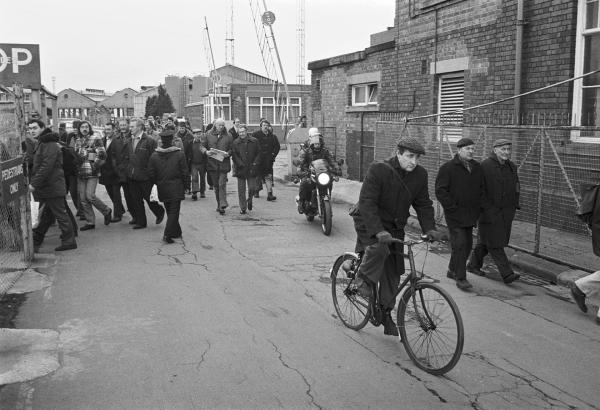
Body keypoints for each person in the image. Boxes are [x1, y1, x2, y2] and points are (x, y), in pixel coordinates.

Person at [352, 137, 442, 336]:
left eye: (417, 158)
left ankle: (385, 312)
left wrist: (429, 229)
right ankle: (363, 281)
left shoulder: (420, 175)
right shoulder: (379, 169)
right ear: (398, 153)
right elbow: (367, 202)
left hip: (394, 227)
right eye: (410, 156)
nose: (414, 162)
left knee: (394, 271)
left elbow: (423, 204)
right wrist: (377, 231)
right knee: (379, 248)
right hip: (369, 220)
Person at [467, 138, 520, 284]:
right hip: (489, 211)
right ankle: (507, 274)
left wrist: (515, 203)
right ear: (495, 149)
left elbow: (516, 186)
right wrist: (486, 208)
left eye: (508, 149)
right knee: (495, 243)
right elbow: (479, 190)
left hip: (506, 212)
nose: (506, 152)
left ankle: (473, 265)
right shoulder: (485, 166)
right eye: (503, 149)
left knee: (486, 241)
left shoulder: (511, 167)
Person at [435, 138, 484, 290]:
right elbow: (440, 191)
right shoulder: (448, 168)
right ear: (459, 150)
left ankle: (452, 269)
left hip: (470, 214)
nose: (471, 151)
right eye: (467, 148)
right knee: (461, 244)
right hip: (455, 215)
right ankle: (461, 278)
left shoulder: (477, 167)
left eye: (472, 149)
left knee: (467, 244)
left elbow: (481, 188)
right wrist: (452, 207)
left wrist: (478, 207)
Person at [27, 119, 77, 252]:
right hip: (48, 186)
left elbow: (46, 167)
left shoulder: (48, 143)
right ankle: (37, 240)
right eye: (30, 128)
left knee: (60, 214)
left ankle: (69, 241)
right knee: (48, 215)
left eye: (35, 128)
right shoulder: (43, 142)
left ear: (42, 128)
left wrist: (33, 184)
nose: (32, 130)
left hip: (51, 186)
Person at [148, 130, 189, 243]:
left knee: (169, 210)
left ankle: (176, 231)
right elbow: (185, 171)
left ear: (161, 141)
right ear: (172, 141)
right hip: (176, 186)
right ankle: (167, 234)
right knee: (174, 212)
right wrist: (187, 185)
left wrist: (157, 182)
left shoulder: (154, 155)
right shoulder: (179, 154)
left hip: (162, 187)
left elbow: (151, 173)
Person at [126, 118, 165, 229]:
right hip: (132, 175)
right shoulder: (129, 140)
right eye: (130, 126)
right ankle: (141, 222)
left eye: (132, 126)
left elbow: (155, 158)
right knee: (136, 199)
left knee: (149, 199)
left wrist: (151, 173)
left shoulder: (149, 141)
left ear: (140, 127)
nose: (130, 128)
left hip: (145, 176)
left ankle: (159, 211)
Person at [73, 121, 112, 231]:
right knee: (83, 199)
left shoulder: (95, 138)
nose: (84, 129)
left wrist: (94, 165)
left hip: (92, 172)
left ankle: (106, 210)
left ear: (89, 128)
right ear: (79, 129)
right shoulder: (77, 140)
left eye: (86, 127)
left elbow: (102, 154)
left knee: (90, 196)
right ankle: (90, 222)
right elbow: (76, 154)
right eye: (82, 127)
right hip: (81, 172)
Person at [296, 130, 339, 213]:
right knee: (304, 182)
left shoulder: (325, 151)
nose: (317, 145)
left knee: (330, 181)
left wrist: (337, 169)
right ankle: (301, 202)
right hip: (309, 173)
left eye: (318, 144)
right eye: (315, 144)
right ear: (312, 144)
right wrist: (300, 171)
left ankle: (327, 198)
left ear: (321, 143)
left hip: (322, 173)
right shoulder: (306, 152)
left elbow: (332, 161)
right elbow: (300, 163)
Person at [201, 118, 234, 214]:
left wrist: (228, 153)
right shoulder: (208, 134)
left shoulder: (229, 135)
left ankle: (223, 204)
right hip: (212, 164)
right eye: (219, 125)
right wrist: (206, 152)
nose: (221, 127)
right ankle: (219, 204)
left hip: (224, 164)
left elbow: (232, 148)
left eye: (223, 125)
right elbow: (201, 146)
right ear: (215, 125)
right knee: (216, 186)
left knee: (221, 184)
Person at [100, 122, 126, 222]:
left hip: (115, 172)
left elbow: (120, 156)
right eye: (106, 129)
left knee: (116, 194)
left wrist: (119, 169)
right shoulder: (102, 140)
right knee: (110, 193)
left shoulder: (118, 140)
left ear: (113, 130)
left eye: (109, 129)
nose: (107, 132)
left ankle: (117, 215)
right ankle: (121, 209)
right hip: (105, 172)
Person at [232, 124, 261, 214]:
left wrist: (255, 163)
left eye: (243, 131)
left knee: (252, 188)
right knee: (241, 190)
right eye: (240, 132)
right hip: (241, 169)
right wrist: (240, 163)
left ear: (246, 131)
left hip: (252, 168)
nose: (242, 134)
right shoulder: (235, 142)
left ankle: (250, 200)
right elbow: (234, 155)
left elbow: (259, 153)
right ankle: (243, 207)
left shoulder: (254, 141)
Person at [252, 119, 280, 201]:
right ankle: (256, 191)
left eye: (267, 126)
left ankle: (270, 194)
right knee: (258, 176)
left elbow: (277, 147)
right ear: (261, 127)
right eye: (264, 125)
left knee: (268, 176)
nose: (266, 127)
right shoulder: (255, 135)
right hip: (258, 159)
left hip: (268, 160)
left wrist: (273, 154)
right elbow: (252, 146)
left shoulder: (273, 136)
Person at [189, 128, 207, 200]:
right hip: (193, 164)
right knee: (194, 177)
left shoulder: (203, 143)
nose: (198, 135)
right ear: (193, 135)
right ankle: (195, 192)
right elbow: (188, 153)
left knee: (202, 178)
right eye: (196, 134)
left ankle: (202, 192)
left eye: (199, 134)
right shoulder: (190, 143)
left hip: (202, 163)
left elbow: (206, 152)